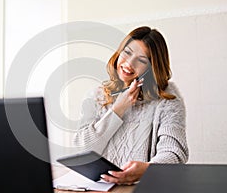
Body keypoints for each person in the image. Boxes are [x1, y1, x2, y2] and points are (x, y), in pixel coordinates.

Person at [73, 26, 189, 185]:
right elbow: (83, 150)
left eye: (141, 60)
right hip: (101, 188)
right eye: (127, 53)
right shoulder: (96, 96)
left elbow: (174, 153)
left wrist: (147, 169)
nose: (129, 63)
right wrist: (117, 110)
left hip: (145, 187)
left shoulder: (167, 100)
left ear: (152, 68)